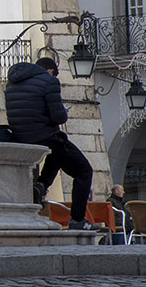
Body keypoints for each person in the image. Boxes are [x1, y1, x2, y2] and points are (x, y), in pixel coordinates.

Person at [5, 56, 95, 230]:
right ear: (51, 71)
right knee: (83, 171)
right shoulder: (49, 82)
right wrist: (63, 111)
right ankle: (77, 220)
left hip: (21, 136)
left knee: (57, 152)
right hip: (44, 135)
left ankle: (42, 184)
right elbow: (58, 117)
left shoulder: (12, 82)